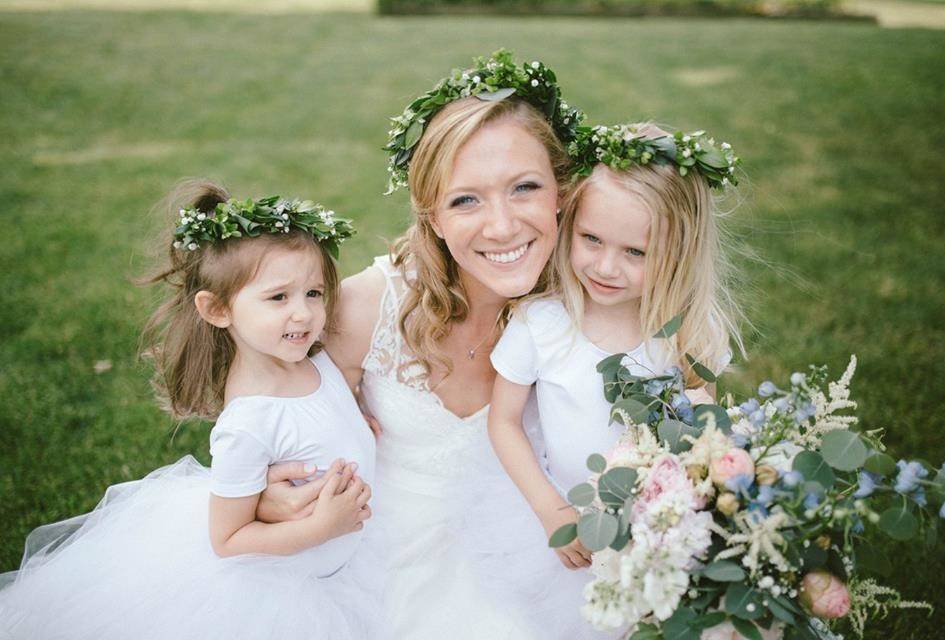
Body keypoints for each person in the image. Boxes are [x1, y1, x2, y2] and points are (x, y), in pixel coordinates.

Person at [255, 51, 602, 638]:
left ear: (561, 193)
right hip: (379, 556)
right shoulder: (370, 307)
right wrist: (270, 494)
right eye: (466, 199)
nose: (501, 226)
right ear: (433, 218)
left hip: (541, 546)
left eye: (525, 188)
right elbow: (277, 422)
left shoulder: (596, 307)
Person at [0, 182, 385, 640]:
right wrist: (320, 528)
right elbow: (229, 541)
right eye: (278, 298)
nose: (303, 314)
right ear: (218, 310)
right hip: (287, 584)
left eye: (314, 294)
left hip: (344, 553)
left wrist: (350, 418)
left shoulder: (314, 359)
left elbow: (319, 415)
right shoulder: (249, 422)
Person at [487, 122, 745, 617]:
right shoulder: (543, 323)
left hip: (654, 527)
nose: (606, 267)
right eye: (592, 239)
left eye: (635, 253)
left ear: (677, 255)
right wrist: (551, 510)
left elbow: (703, 411)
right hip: (566, 517)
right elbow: (504, 421)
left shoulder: (688, 330)